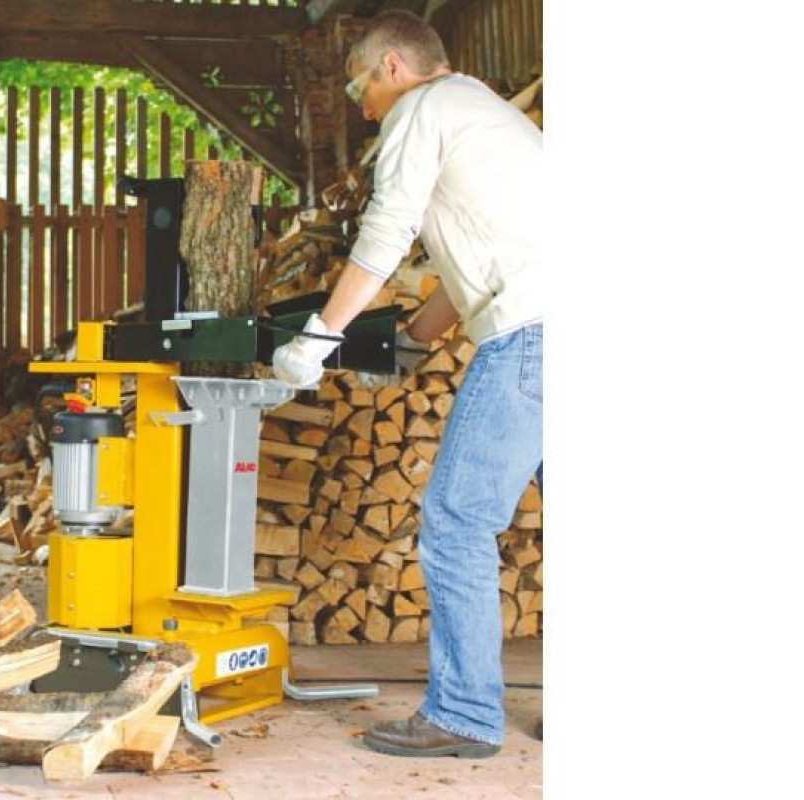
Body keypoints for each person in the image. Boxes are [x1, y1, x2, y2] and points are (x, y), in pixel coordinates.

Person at [271, 9, 543, 758]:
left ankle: (463, 714)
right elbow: (476, 259)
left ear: (392, 66)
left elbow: (387, 232)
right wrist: (417, 340)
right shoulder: (483, 113)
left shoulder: (421, 109)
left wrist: (319, 336)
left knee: (456, 521)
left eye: (358, 85)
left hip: (533, 336)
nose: (361, 106)